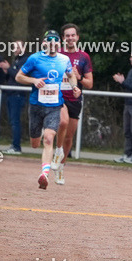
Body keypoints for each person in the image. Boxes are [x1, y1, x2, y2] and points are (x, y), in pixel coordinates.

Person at [15, 30, 76, 188]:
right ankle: (38, 137)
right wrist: (34, 80)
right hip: (36, 106)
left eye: (56, 41)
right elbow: (18, 76)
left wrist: (75, 86)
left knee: (49, 138)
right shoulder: (35, 58)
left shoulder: (64, 59)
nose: (53, 43)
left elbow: (71, 75)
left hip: (55, 106)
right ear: (44, 43)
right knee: (35, 143)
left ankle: (44, 174)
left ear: (59, 44)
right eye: (50, 41)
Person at [59, 24, 92, 165]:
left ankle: (62, 163)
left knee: (69, 136)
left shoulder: (84, 57)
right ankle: (54, 152)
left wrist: (79, 77)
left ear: (77, 37)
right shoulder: (57, 55)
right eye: (67, 36)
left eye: (73, 35)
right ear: (63, 38)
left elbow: (90, 84)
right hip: (58, 98)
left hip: (75, 99)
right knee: (62, 122)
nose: (70, 38)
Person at [4, 42, 29, 154]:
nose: (15, 49)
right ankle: (14, 145)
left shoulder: (25, 60)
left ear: (23, 48)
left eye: (17, 47)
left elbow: (19, 76)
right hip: (11, 94)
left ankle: (16, 147)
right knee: (12, 121)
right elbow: (11, 76)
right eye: (13, 47)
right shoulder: (17, 60)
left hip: (18, 94)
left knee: (15, 121)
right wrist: (6, 71)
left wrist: (8, 68)